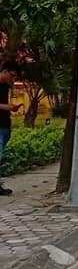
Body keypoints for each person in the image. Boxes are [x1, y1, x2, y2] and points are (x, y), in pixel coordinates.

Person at [0, 62, 21, 196]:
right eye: (12, 75)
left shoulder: (5, 86)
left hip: (5, 124)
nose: (12, 79)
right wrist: (7, 107)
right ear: (5, 71)